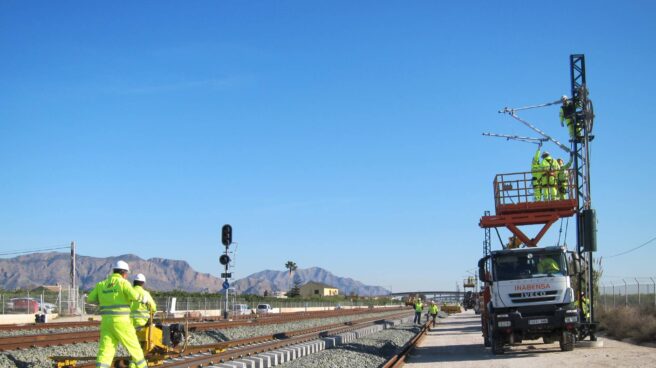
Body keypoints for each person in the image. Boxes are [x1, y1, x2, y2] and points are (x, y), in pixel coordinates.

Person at [88, 260, 151, 368]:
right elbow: (134, 296)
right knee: (134, 347)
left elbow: (90, 299)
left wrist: (104, 298)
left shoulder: (101, 284)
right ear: (124, 273)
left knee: (106, 350)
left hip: (107, 323)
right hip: (122, 322)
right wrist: (143, 299)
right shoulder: (123, 283)